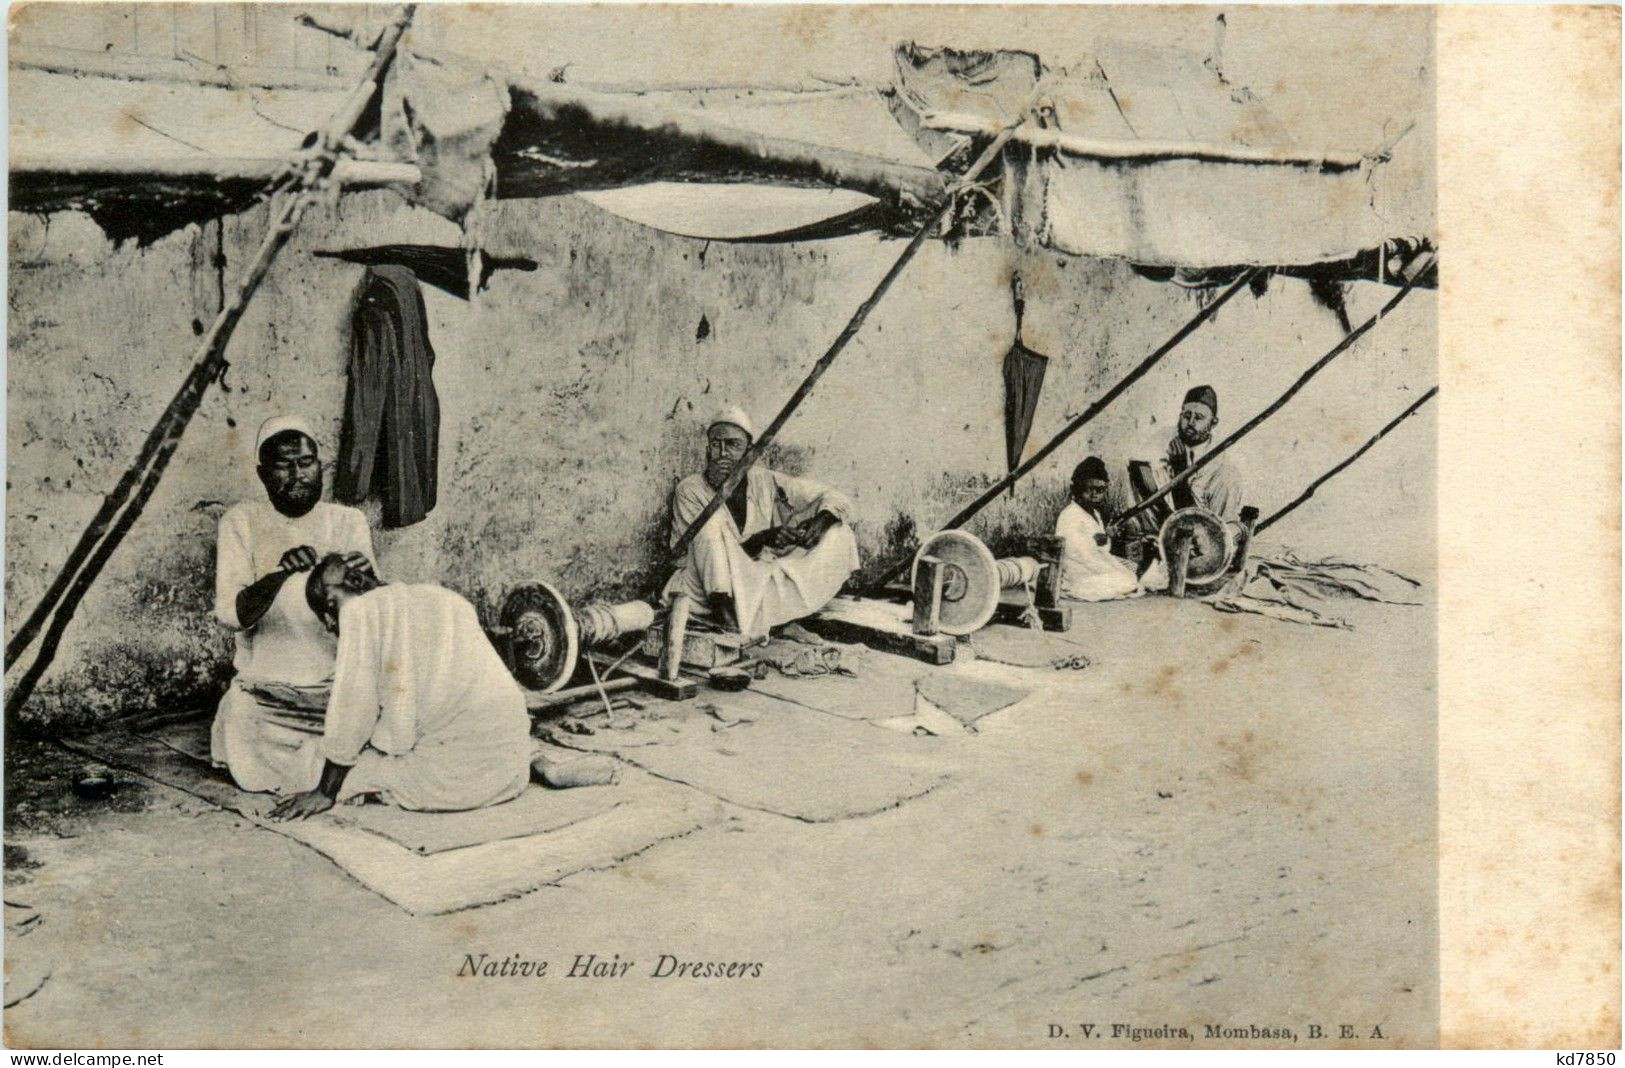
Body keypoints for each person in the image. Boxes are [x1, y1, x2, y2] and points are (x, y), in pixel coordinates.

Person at [270, 555, 532, 819]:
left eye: (329, 606)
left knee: (309, 762)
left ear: (357, 581)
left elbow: (354, 711)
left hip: (457, 779)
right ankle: (540, 764)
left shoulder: (359, 610)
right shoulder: (441, 596)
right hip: (512, 769)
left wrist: (325, 792)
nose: (328, 624)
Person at [211, 416, 376, 794]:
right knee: (242, 722)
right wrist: (279, 575)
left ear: (320, 466)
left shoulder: (348, 521)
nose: (298, 474)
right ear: (263, 473)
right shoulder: (242, 522)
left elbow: (372, 616)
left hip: (338, 689)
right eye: (284, 465)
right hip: (271, 694)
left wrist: (365, 581)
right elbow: (230, 615)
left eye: (306, 462)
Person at [662, 407, 860, 640]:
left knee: (839, 531)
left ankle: (768, 621)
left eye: (733, 445)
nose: (723, 453)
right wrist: (760, 540)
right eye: (716, 445)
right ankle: (730, 626)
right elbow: (687, 558)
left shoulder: (764, 480)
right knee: (710, 529)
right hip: (708, 593)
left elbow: (838, 498)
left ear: (749, 450)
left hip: (753, 583)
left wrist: (822, 520)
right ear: (707, 450)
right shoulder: (690, 489)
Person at [1054, 457, 1141, 602]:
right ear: (1079, 488)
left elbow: (1102, 548)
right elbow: (1074, 551)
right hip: (1075, 568)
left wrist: (1106, 538)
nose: (1094, 494)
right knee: (1124, 580)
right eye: (1090, 489)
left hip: (1093, 564)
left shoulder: (1096, 514)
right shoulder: (1069, 514)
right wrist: (1098, 542)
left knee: (1129, 577)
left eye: (1100, 490)